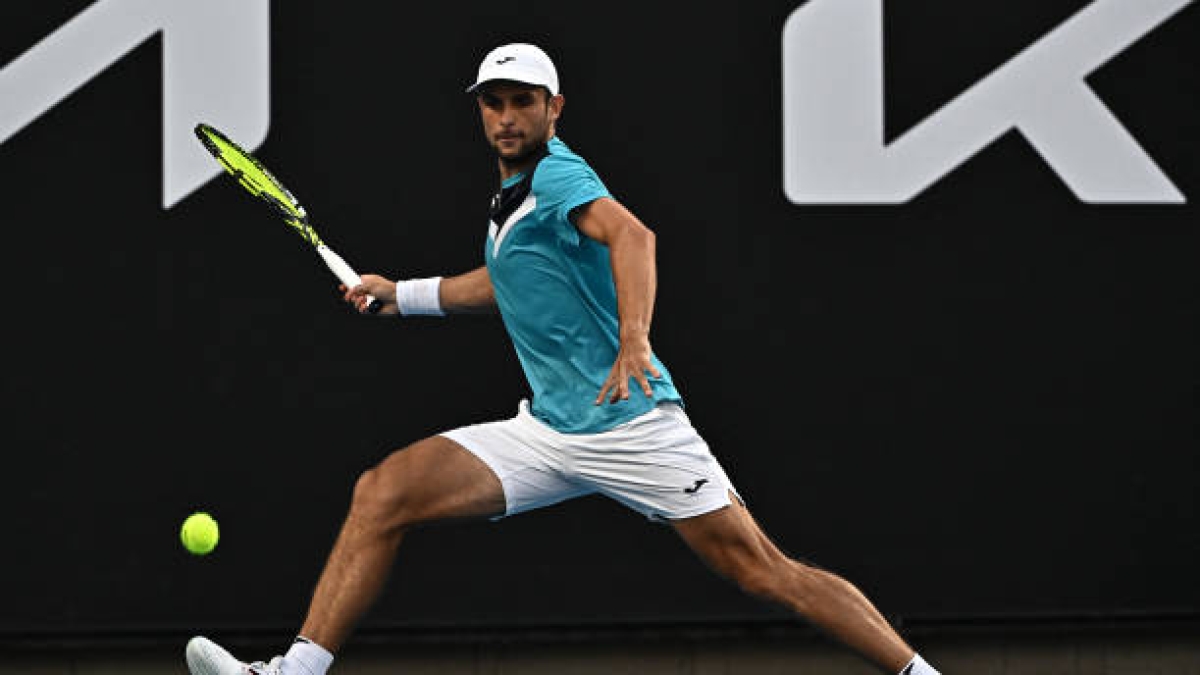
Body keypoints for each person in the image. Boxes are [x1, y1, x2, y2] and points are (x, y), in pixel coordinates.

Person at [185, 43, 941, 675]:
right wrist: (405, 294)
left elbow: (634, 237)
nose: (507, 118)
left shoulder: (556, 175)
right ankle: (294, 672)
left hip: (631, 422)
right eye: (494, 103)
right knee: (384, 491)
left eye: (523, 102)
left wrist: (636, 338)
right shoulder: (515, 196)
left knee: (765, 571)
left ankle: (919, 672)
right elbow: (506, 282)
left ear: (555, 108)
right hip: (548, 431)